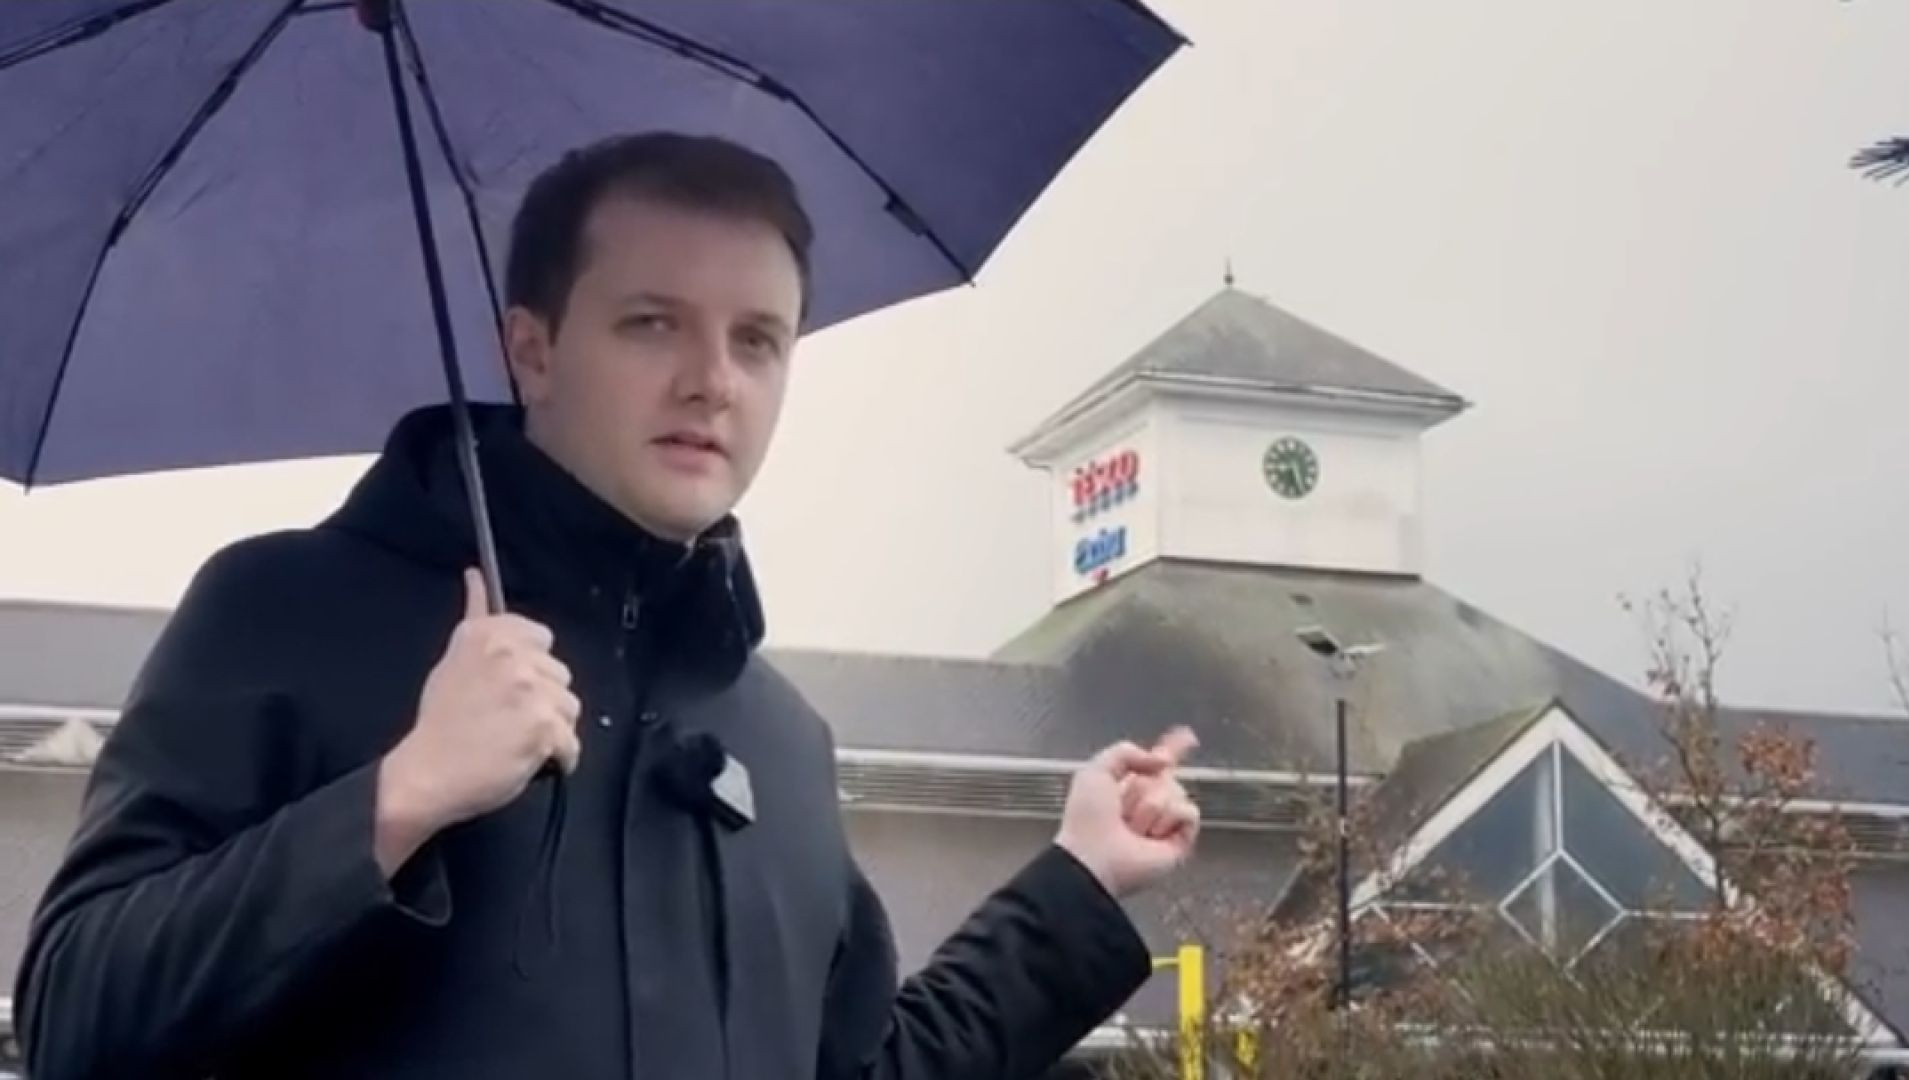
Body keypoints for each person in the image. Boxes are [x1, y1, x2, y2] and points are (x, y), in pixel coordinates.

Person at [13, 132, 1201, 1080]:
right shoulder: (282, 611)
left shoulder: (779, 738)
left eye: (758, 340)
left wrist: (1079, 879)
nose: (711, 380)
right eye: (652, 323)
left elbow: (860, 1067)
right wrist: (397, 799)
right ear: (531, 350)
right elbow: (75, 1016)